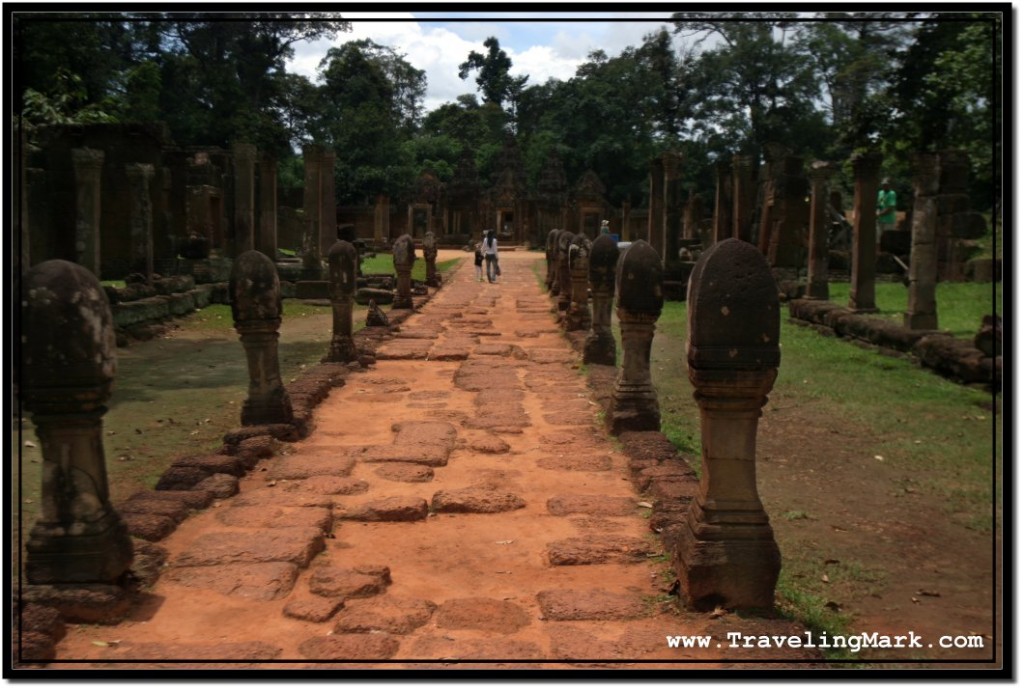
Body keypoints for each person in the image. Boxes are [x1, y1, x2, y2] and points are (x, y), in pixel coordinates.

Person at [876, 178, 897, 251]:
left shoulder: (892, 194)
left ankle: (887, 253)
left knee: (887, 238)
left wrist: (880, 214)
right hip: (880, 219)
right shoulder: (880, 193)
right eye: (883, 185)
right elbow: (878, 204)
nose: (884, 186)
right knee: (877, 237)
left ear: (889, 185)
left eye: (886, 185)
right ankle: (878, 253)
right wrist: (877, 212)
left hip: (888, 220)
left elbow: (890, 208)